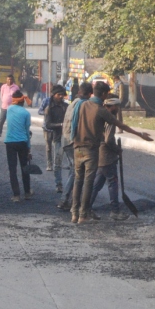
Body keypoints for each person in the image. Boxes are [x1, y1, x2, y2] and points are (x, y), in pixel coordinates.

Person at [71, 81, 150, 223]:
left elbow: (74, 124)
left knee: (78, 180)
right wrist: (140, 135)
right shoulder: (100, 110)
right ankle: (83, 215)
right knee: (89, 182)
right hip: (91, 151)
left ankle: (74, 214)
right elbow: (121, 125)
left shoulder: (81, 105)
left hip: (77, 148)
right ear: (103, 94)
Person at [56, 82, 91, 212]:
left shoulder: (74, 103)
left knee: (75, 170)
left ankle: (69, 200)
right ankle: (66, 200)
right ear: (88, 94)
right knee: (76, 171)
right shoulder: (82, 104)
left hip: (66, 139)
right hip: (72, 141)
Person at [3, 90, 34, 201]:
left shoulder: (9, 110)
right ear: (23, 102)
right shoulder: (26, 113)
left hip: (10, 142)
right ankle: (27, 193)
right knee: (25, 168)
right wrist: (29, 148)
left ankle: (16, 195)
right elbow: (27, 131)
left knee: (12, 169)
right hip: (22, 142)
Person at [39, 85, 68, 191]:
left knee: (71, 163)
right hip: (56, 136)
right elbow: (48, 124)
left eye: (62, 95)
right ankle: (58, 183)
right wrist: (61, 124)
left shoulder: (66, 106)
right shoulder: (49, 108)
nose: (61, 96)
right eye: (58, 94)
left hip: (66, 137)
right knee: (57, 161)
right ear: (54, 95)